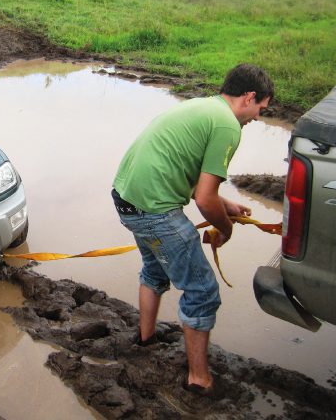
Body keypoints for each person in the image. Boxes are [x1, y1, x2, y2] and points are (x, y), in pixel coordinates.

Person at [111, 63, 274, 396]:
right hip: (155, 210)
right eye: (261, 108)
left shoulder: (203, 106)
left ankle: (145, 339)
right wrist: (225, 229)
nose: (258, 117)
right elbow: (203, 199)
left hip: (126, 198)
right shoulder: (229, 125)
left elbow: (191, 175)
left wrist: (224, 203)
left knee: (155, 271)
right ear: (249, 97)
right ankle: (199, 379)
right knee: (202, 291)